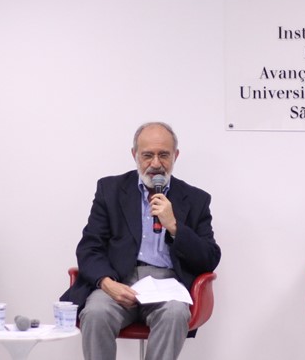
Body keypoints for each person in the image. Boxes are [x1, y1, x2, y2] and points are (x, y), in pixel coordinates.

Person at [61, 122, 221, 360]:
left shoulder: (196, 199)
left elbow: (209, 258)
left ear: (175, 156)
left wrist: (174, 226)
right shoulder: (110, 189)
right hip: (118, 281)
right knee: (95, 313)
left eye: (163, 155)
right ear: (134, 155)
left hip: (167, 285)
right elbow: (90, 246)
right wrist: (106, 283)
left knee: (175, 313)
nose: (156, 164)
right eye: (147, 155)